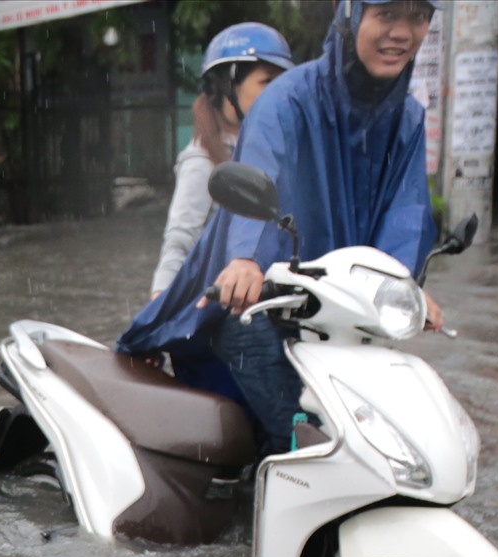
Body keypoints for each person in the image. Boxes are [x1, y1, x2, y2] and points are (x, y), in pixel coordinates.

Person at [119, 0, 440, 458]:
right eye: (386, 15)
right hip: (258, 305)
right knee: (303, 436)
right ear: (351, 15)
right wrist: (247, 258)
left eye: (417, 17)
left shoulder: (406, 118)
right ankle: (267, 491)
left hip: (337, 311)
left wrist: (404, 286)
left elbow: (406, 210)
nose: (402, 33)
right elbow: (257, 179)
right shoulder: (286, 101)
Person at [152, 24, 294, 297]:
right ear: (229, 87)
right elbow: (180, 240)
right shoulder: (202, 160)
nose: (279, 93)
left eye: (283, 82)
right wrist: (160, 302)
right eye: (267, 82)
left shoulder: (279, 150)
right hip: (234, 308)